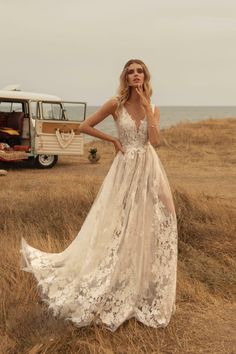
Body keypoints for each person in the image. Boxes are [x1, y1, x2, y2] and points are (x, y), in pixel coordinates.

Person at [20, 59, 178, 332]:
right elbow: (84, 126)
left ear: (145, 76)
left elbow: (154, 141)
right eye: (131, 72)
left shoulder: (153, 108)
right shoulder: (115, 104)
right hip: (125, 168)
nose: (135, 75)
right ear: (125, 77)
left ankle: (137, 284)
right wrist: (114, 141)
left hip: (149, 169)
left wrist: (145, 104)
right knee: (117, 223)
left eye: (139, 71)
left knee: (150, 222)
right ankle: (109, 279)